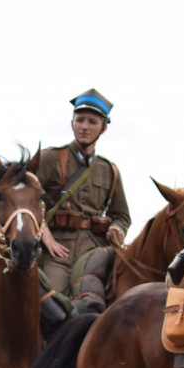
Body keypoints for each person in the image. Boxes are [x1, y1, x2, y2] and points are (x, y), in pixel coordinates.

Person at [37, 89, 130, 300]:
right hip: (57, 252)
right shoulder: (49, 159)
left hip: (94, 251)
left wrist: (117, 228)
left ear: (104, 128)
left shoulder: (110, 170)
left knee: (104, 301)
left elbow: (122, 216)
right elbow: (24, 202)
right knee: (52, 301)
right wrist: (45, 234)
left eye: (92, 122)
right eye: (79, 120)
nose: (85, 127)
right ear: (72, 123)